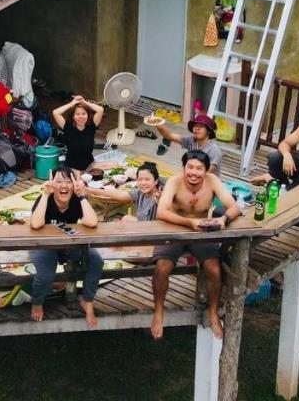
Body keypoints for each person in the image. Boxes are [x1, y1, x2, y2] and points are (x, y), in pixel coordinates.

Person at [152, 150, 240, 340]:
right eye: (189, 167)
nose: (194, 172)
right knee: (162, 268)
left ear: (207, 170)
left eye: (199, 168)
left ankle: (213, 311)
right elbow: (162, 212)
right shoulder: (174, 182)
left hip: (201, 231)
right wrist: (189, 223)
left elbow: (234, 207)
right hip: (173, 229)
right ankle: (158, 311)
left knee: (214, 270)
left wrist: (224, 218)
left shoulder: (212, 181)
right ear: (183, 168)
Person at [28, 167, 102, 327]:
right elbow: (35, 224)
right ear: (51, 184)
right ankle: (37, 302)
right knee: (46, 274)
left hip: (70, 245)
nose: (64, 186)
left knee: (96, 260)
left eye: (68, 181)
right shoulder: (44, 199)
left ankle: (87, 301)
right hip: (44, 246)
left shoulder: (76, 199)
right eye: (58, 181)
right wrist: (45, 195)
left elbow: (92, 222)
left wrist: (82, 196)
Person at [82, 161, 163, 221]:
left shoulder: (162, 195)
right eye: (140, 179)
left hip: (152, 232)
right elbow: (120, 195)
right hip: (142, 226)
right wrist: (90, 190)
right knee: (125, 219)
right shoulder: (139, 192)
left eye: (147, 179)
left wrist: (159, 202)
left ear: (155, 181)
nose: (143, 183)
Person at [151, 113, 222, 174]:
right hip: (192, 177)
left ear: (209, 131)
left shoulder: (213, 149)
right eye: (195, 126)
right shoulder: (191, 140)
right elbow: (170, 136)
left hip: (206, 184)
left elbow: (207, 173)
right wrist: (158, 124)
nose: (197, 128)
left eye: (201, 127)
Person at [52, 95, 104, 171]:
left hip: (89, 166)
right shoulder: (67, 127)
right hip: (71, 168)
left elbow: (100, 110)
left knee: (114, 164)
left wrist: (84, 102)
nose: (81, 117)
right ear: (73, 116)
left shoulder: (91, 126)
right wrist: (72, 104)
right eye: (77, 114)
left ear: (87, 115)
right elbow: (55, 112)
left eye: (84, 114)